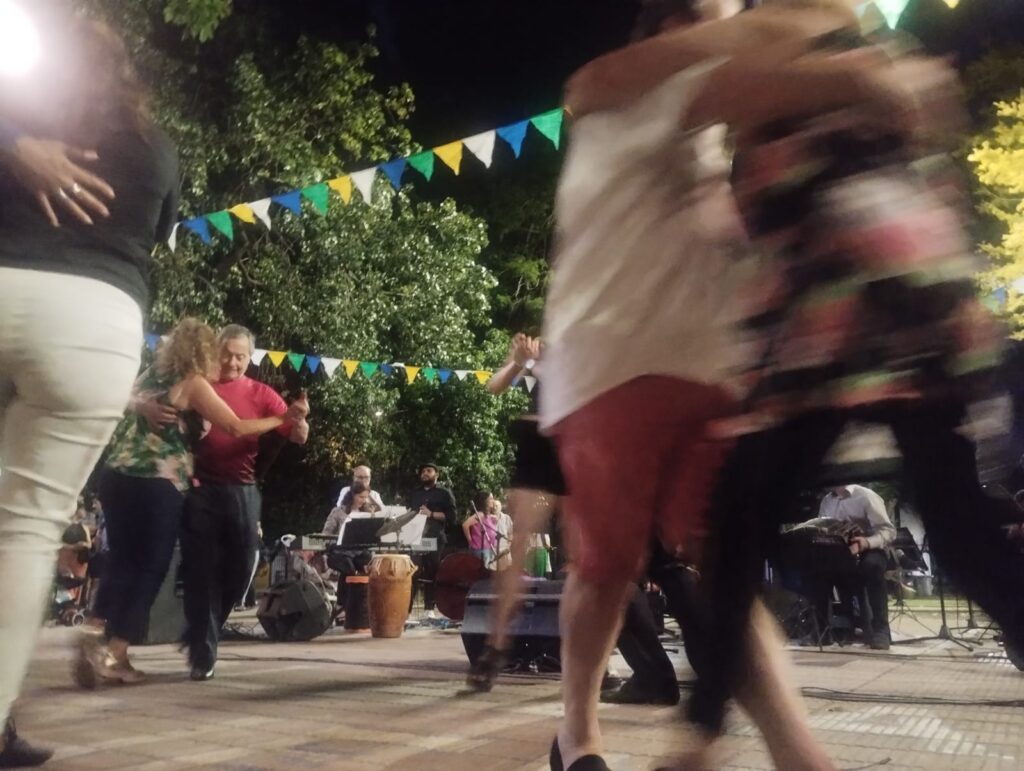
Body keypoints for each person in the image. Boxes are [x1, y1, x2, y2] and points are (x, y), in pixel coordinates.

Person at [540, 0, 929, 767]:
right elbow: (754, 64)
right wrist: (863, 67)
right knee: (609, 563)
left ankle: (798, 753)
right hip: (611, 359)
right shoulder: (632, 90)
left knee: (727, 563)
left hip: (708, 365)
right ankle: (577, 731)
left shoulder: (705, 127)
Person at [672, 0, 1024, 760]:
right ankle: (700, 728)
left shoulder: (815, 20)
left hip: (882, 291)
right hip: (823, 306)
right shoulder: (811, 38)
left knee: (957, 532)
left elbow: (922, 105)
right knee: (741, 516)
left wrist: (822, 79)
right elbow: (714, 101)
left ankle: (698, 730)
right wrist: (845, 79)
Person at [0, 16, 178, 766]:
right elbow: (161, 230)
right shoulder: (160, 147)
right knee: (27, 529)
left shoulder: (19, 116)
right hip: (96, 321)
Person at [74, 318, 302, 688]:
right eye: (218, 351)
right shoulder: (195, 383)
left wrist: (142, 406)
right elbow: (235, 427)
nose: (225, 360)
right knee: (151, 568)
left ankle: (94, 627)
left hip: (116, 476)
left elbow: (121, 397)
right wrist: (281, 418)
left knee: (123, 559)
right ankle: (114, 652)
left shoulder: (153, 374)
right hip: (160, 483)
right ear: (204, 351)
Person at [179, 325, 310, 681]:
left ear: (250, 358)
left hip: (242, 488)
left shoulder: (261, 392)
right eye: (226, 353)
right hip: (198, 487)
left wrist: (299, 419)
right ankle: (202, 652)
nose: (232, 362)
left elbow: (297, 436)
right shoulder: (198, 383)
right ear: (214, 351)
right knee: (201, 570)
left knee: (240, 569)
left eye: (240, 356)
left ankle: (203, 631)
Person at [467, 333, 565, 691]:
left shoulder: (587, 338)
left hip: (575, 435)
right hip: (538, 437)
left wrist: (531, 363)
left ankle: (588, 656)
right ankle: (494, 648)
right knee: (518, 545)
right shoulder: (541, 345)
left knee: (582, 556)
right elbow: (495, 386)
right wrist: (520, 360)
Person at [810, 485, 896, 649]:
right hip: (841, 550)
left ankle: (881, 630)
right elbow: (822, 527)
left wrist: (867, 542)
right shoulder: (827, 500)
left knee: (872, 566)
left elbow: (889, 531)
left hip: (870, 548)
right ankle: (822, 631)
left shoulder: (866, 496)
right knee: (816, 569)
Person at [406, 463, 456, 616]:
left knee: (432, 571)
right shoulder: (414, 493)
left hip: (434, 538)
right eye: (423, 471)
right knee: (413, 570)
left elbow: (452, 517)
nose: (425, 473)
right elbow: (407, 512)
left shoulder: (444, 493)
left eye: (428, 471)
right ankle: (407, 609)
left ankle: (429, 609)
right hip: (415, 537)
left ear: (437, 474)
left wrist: (431, 514)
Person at [462, 491, 511, 570]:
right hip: (480, 550)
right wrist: (470, 540)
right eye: (491, 499)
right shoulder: (479, 515)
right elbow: (465, 525)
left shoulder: (487, 515)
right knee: (483, 572)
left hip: (488, 549)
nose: (493, 501)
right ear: (484, 501)